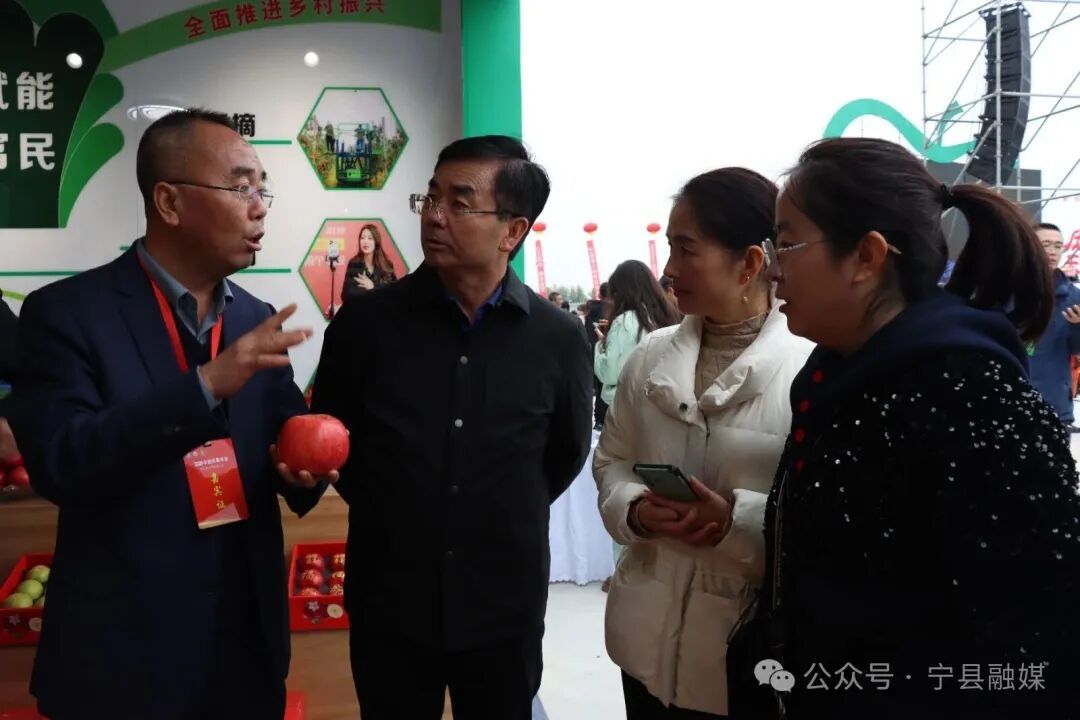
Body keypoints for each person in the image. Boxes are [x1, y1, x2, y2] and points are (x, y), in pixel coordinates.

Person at [728, 137, 1078, 719]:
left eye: (786, 243)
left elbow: (1036, 641)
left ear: (866, 257)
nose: (774, 269)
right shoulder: (835, 377)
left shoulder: (974, 398)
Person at [9, 109, 331, 720]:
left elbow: (282, 446)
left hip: (244, 656)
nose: (259, 208)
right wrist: (205, 386)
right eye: (240, 187)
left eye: (262, 190)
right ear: (169, 202)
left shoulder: (254, 317)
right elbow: (63, 463)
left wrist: (299, 471)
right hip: (121, 661)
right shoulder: (66, 314)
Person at [310, 135, 593, 720]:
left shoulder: (557, 338)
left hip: (503, 608)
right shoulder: (366, 325)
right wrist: (398, 509)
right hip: (391, 604)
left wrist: (494, 509)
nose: (434, 216)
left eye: (459, 203)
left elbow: (562, 456)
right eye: (431, 197)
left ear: (512, 231)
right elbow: (337, 442)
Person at [594, 168, 812, 719]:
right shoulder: (651, 354)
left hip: (739, 655)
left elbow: (826, 518)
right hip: (642, 639)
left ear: (751, 263)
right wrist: (635, 508)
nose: (669, 269)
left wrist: (736, 521)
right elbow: (613, 458)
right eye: (670, 247)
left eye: (686, 249)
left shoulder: (810, 368)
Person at [593, 260, 681, 412]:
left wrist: (600, 345)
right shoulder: (667, 316)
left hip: (631, 408)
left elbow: (609, 373)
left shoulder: (624, 321)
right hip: (665, 405)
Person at [1027, 222, 1080, 431]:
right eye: (1046, 244)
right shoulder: (1007, 292)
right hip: (1012, 399)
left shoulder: (1073, 297)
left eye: (1058, 246)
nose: (1052, 251)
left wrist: (1077, 326)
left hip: (1055, 403)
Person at [341, 223, 398, 303]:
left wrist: (373, 287)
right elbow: (344, 295)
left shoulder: (386, 265)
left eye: (370, 238)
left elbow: (394, 295)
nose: (365, 241)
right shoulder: (354, 264)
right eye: (362, 238)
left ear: (376, 241)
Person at [585, 282, 613, 428]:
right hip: (606, 350)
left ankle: (598, 421)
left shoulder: (590, 310)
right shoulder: (610, 310)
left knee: (596, 388)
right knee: (606, 386)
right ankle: (604, 420)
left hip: (590, 353)